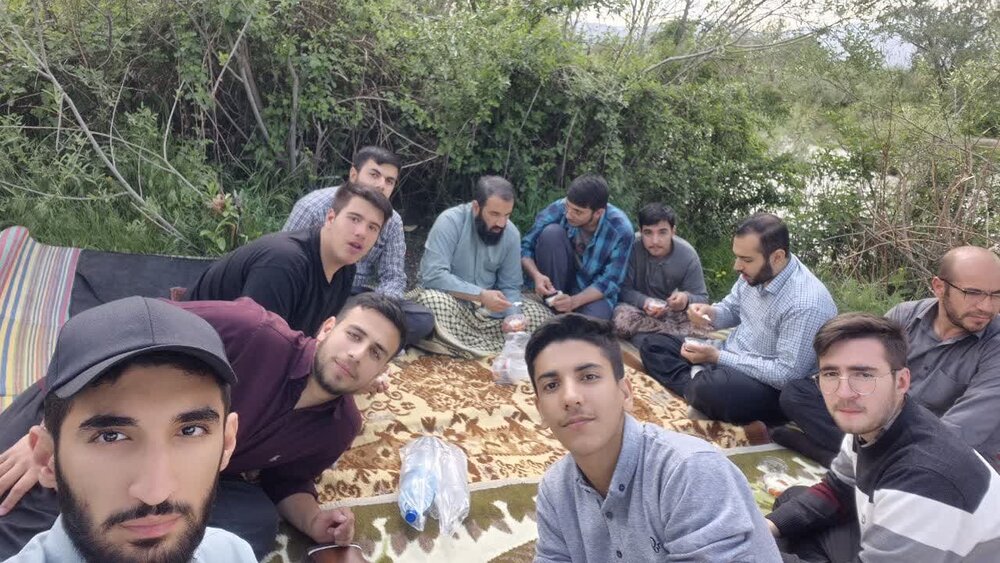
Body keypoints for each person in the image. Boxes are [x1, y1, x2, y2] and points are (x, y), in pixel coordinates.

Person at [0, 293, 406, 559]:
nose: (357, 355)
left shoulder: (340, 427)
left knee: (258, 520)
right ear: (328, 328)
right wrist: (52, 426)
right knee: (23, 498)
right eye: (354, 335)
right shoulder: (253, 331)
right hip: (77, 411)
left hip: (198, 478)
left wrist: (315, 521)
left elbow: (287, 481)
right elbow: (122, 331)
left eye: (375, 353)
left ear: (382, 371)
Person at [1, 297, 255, 562]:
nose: (155, 493)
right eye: (110, 436)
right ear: (47, 458)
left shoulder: (233, 553)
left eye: (191, 431)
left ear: (227, 443)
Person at [526, 314, 780, 562]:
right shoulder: (556, 489)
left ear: (626, 393)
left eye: (588, 377)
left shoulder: (688, 471)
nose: (570, 397)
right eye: (551, 385)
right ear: (540, 410)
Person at [766, 313, 1000, 562]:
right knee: (789, 509)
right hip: (899, 532)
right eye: (831, 374)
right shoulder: (876, 423)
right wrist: (765, 528)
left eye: (864, 375)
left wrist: (751, 551)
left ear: (902, 381)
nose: (844, 393)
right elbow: (839, 489)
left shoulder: (923, 480)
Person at [776, 246, 1000, 469]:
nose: (987, 307)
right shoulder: (905, 316)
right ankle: (861, 462)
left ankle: (850, 461)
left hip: (940, 447)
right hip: (886, 424)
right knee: (798, 394)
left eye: (997, 295)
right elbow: (862, 369)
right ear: (939, 287)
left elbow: (962, 429)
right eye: (973, 293)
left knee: (937, 456)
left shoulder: (995, 344)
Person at [639, 213, 837, 424]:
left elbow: (786, 375)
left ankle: (699, 388)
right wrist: (710, 313)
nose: (737, 266)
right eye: (737, 257)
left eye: (746, 260)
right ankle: (696, 389)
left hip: (766, 385)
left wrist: (717, 357)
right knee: (653, 344)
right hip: (730, 355)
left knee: (714, 389)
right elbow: (731, 308)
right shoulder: (755, 273)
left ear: (777, 257)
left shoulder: (806, 303)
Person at [187, 181, 392, 338]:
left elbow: (309, 338)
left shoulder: (346, 270)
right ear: (331, 218)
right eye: (354, 219)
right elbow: (255, 344)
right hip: (193, 343)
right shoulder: (284, 263)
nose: (361, 233)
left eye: (372, 227)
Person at [282, 146, 434, 347]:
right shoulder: (313, 207)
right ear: (353, 175)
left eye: (389, 181)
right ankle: (362, 338)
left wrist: (376, 309)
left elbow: (394, 277)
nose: (381, 185)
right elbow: (286, 257)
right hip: (313, 290)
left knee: (422, 318)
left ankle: (352, 333)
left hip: (356, 297)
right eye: (374, 175)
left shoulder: (392, 221)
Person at [412, 176, 551, 357]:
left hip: (490, 313)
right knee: (431, 302)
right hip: (452, 303)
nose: (501, 223)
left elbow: (510, 286)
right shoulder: (450, 222)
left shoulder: (511, 234)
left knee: (541, 316)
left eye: (507, 215)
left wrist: (512, 317)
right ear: (476, 207)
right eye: (495, 214)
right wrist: (480, 295)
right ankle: (483, 349)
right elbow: (433, 275)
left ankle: (457, 346)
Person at [521, 174, 634, 320]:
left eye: (578, 212)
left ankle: (565, 314)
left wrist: (574, 302)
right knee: (551, 233)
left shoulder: (621, 230)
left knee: (592, 324)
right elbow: (525, 247)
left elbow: (610, 281)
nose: (569, 215)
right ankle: (552, 303)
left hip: (590, 292)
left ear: (598, 213)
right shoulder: (559, 207)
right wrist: (536, 276)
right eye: (568, 207)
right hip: (556, 282)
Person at [612, 202, 709, 342]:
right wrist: (644, 302)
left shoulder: (688, 256)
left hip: (670, 312)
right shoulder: (631, 248)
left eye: (662, 232)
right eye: (648, 233)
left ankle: (654, 337)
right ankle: (672, 337)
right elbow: (621, 289)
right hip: (636, 310)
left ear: (673, 231)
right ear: (640, 231)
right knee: (621, 318)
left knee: (704, 324)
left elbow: (702, 298)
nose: (655, 241)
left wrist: (685, 300)